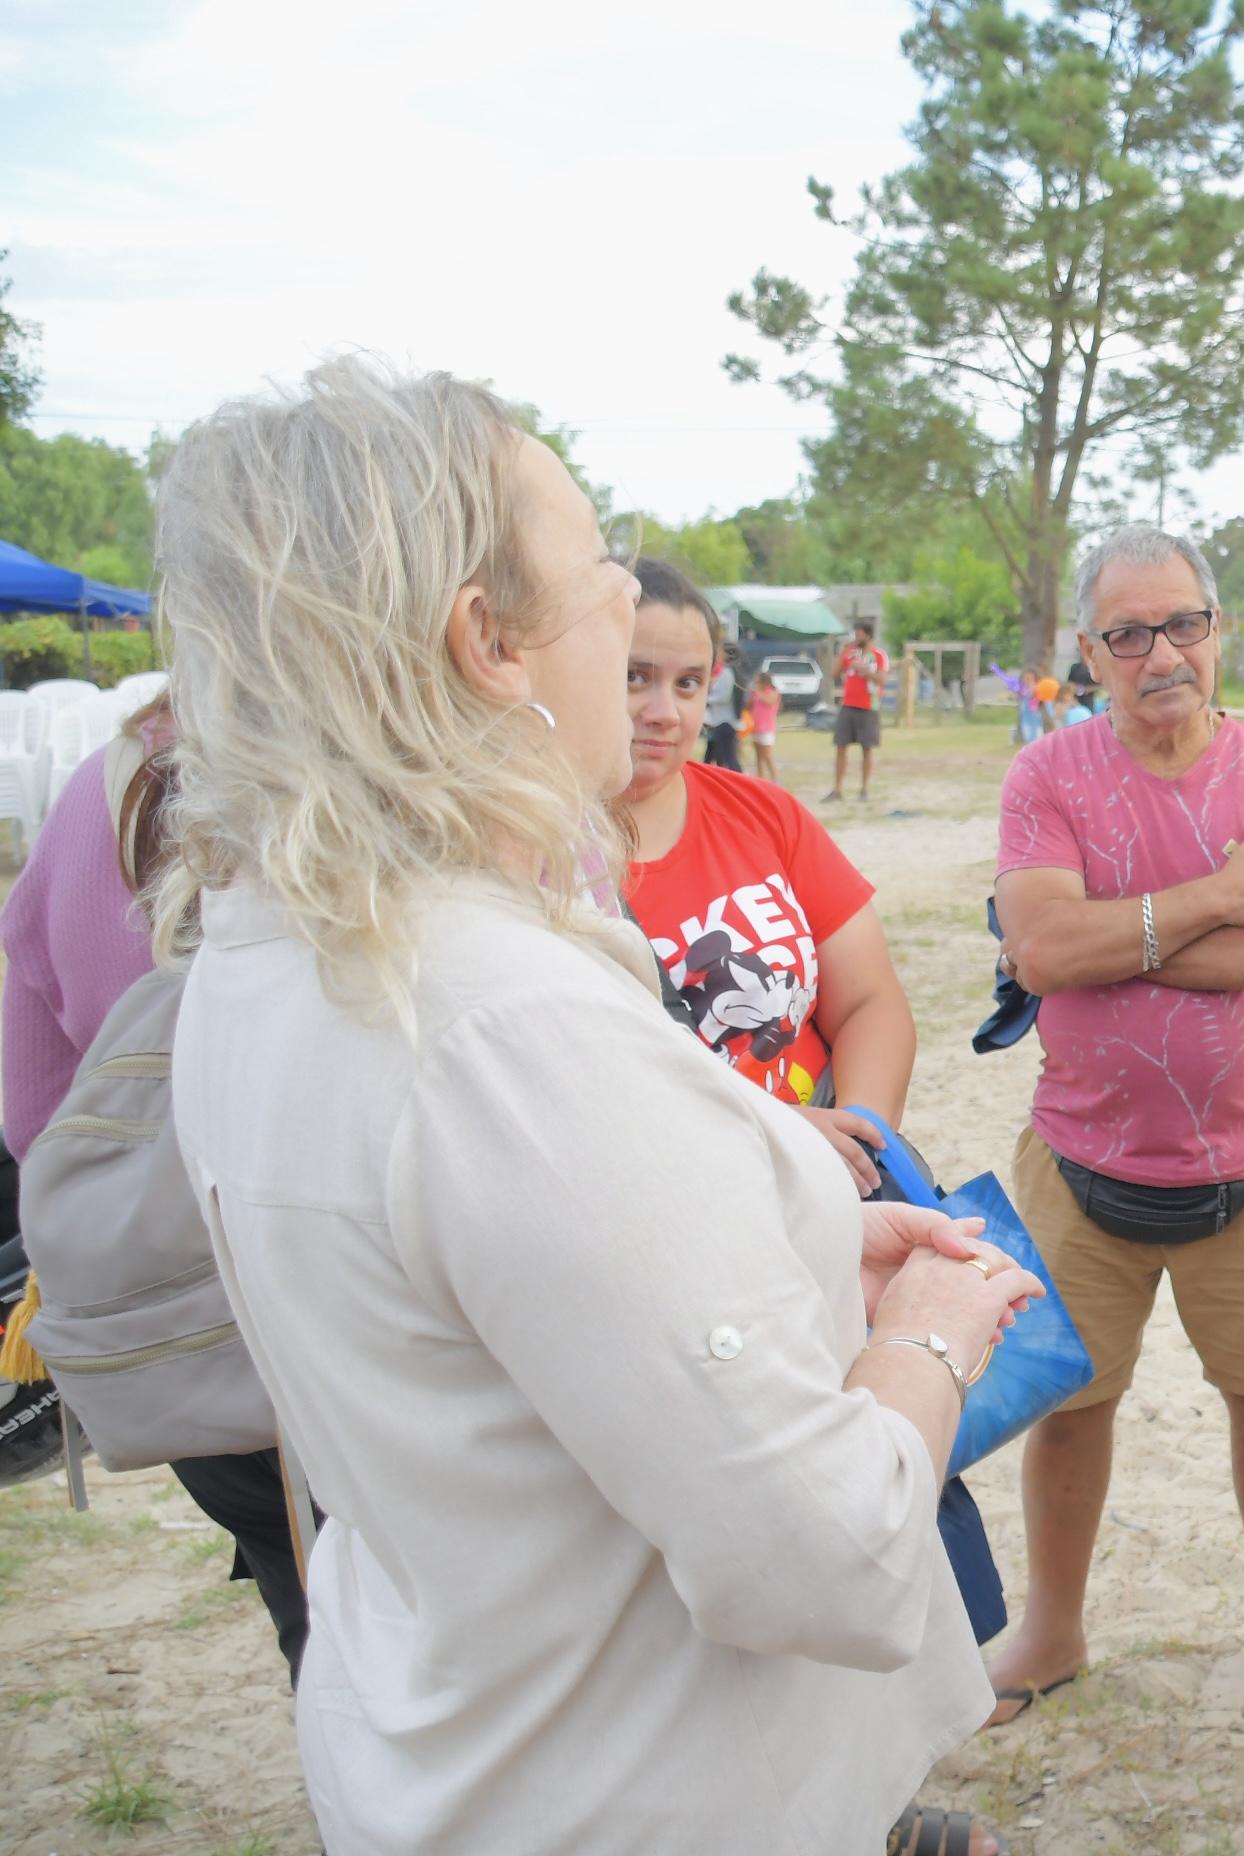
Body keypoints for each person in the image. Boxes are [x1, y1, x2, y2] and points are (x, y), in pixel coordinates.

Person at [151, 357, 1041, 1853]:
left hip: (457, 1745)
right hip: (632, 1794)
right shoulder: (499, 1026)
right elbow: (820, 1551)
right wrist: (924, 1343)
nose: (632, 603)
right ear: (488, 642)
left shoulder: (269, 956)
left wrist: (814, 1241)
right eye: (600, 569)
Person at [985, 522, 1244, 1732]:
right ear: (1091, 652)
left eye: (1183, 625)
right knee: (1070, 1401)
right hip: (1077, 1154)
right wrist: (1214, 894)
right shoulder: (1045, 778)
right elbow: (1043, 950)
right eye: (1129, 633)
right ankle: (1050, 1626)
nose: (1162, 653)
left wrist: (1117, 934)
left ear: (1219, 631)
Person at [0, 692, 311, 1686]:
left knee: (320, 1632)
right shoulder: (415, 755)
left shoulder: (99, 790)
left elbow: (37, 1115)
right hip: (399, 1313)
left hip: (199, 1346)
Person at [618, 557, 917, 1192]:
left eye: (688, 683)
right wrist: (785, 1143)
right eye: (633, 677)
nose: (663, 711)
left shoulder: (761, 812)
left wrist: (858, 1142)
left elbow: (870, 1001)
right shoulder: (528, 859)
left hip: (834, 1190)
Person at [827, 616, 889, 801]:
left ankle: (864, 789)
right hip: (848, 705)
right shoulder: (849, 653)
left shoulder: (878, 655)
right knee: (840, 747)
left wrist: (865, 670)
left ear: (868, 635)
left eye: (859, 633)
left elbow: (882, 680)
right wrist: (844, 652)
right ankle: (837, 789)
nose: (856, 636)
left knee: (867, 748)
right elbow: (833, 673)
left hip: (868, 707)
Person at [701, 642, 742, 770]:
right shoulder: (725, 672)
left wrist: (706, 699)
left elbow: (724, 697)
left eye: (720, 651)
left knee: (729, 757)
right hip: (719, 721)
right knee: (719, 756)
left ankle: (738, 781)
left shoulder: (727, 673)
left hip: (725, 722)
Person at [746, 665, 781, 779]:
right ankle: (761, 778)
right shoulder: (756, 693)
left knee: (767, 756)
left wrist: (758, 692)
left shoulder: (772, 692)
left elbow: (769, 701)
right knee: (759, 757)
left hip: (767, 729)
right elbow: (749, 707)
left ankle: (775, 778)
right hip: (756, 727)